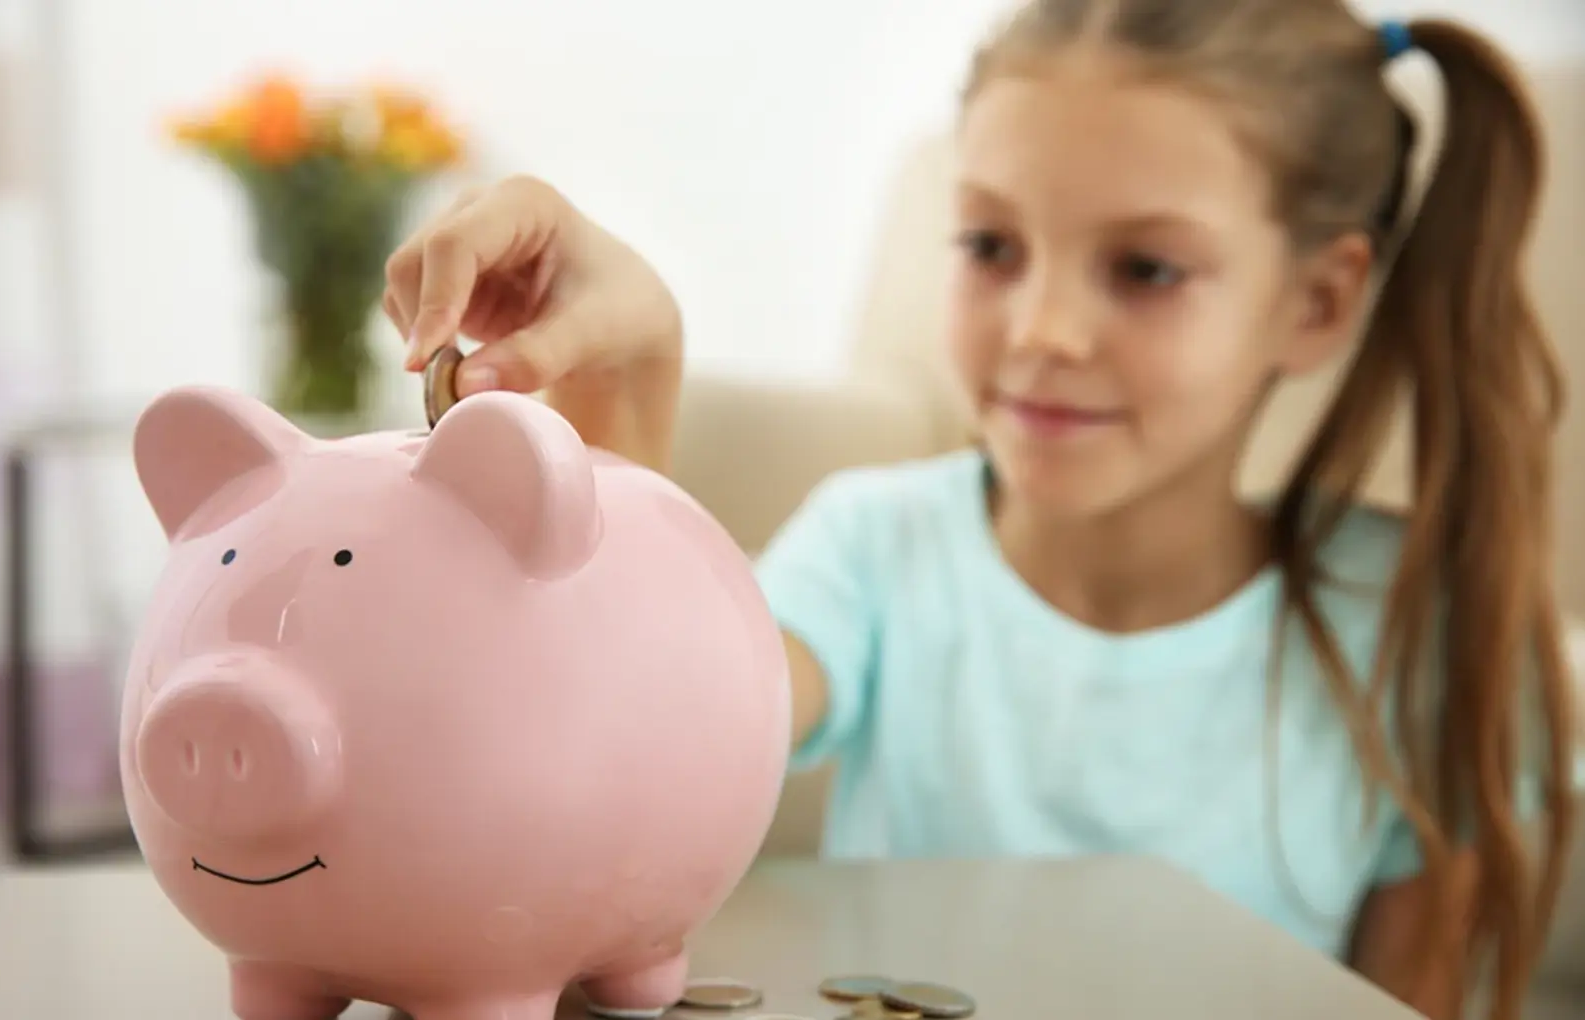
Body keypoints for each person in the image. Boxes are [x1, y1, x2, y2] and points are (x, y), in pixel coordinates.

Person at [380, 3, 1577, 1017]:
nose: (1041, 331)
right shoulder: (873, 549)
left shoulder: (1415, 626)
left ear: (1314, 302)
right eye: (991, 245)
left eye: (1144, 269)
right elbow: (650, 733)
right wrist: (626, 401)